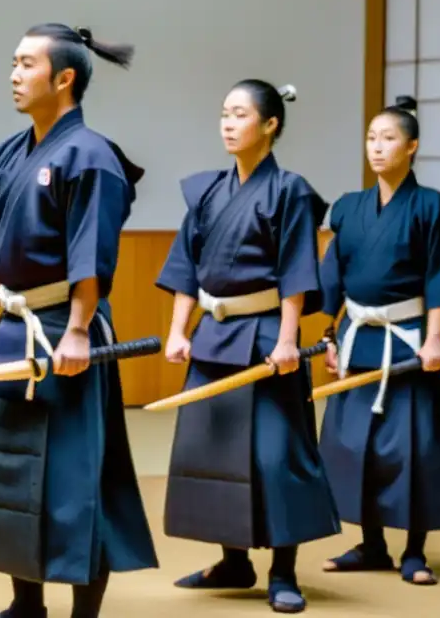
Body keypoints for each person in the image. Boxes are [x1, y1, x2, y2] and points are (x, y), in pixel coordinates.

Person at [0, 23, 158, 618]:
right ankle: (26, 603)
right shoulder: (8, 153)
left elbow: (90, 256)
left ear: (63, 77)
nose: (14, 74)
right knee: (11, 471)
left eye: (26, 63)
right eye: (13, 62)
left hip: (68, 333)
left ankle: (83, 612)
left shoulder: (92, 157)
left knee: (74, 477)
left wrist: (76, 331)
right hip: (15, 329)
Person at [154, 80, 341, 614]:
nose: (228, 124)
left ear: (270, 124)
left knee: (275, 456)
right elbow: (186, 266)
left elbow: (295, 273)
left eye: (239, 115)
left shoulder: (291, 191)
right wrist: (178, 329)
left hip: (264, 338)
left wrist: (288, 340)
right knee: (212, 454)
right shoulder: (208, 191)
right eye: (223, 114)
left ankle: (283, 571)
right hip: (214, 337)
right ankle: (233, 559)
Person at [317, 96, 440, 586]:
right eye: (371, 138)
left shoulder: (431, 209)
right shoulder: (349, 208)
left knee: (413, 450)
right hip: (358, 338)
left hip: (407, 343)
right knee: (354, 446)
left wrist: (434, 340)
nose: (377, 147)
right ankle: (371, 545)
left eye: (388, 138)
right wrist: (329, 335)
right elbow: (333, 279)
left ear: (412, 147)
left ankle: (414, 551)